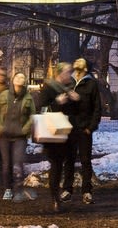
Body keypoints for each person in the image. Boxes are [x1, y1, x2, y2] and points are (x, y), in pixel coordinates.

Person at [62, 57, 102, 204]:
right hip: (69, 128)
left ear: (85, 68)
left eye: (81, 61)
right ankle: (67, 189)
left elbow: (97, 107)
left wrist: (90, 127)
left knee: (85, 161)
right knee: (69, 160)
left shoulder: (91, 83)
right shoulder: (69, 82)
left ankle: (86, 191)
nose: (77, 62)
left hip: (84, 128)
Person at [38, 62, 77, 212]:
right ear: (60, 74)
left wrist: (75, 100)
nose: (69, 75)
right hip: (54, 131)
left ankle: (66, 190)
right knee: (56, 164)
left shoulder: (70, 88)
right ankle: (55, 197)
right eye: (67, 72)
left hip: (69, 131)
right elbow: (41, 107)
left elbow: (75, 110)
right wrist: (56, 103)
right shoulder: (49, 88)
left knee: (69, 162)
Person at [0, 71, 35, 200]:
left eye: (22, 79)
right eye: (17, 78)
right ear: (13, 81)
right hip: (3, 136)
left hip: (20, 137)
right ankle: (8, 189)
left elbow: (32, 115)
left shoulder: (28, 98)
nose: (19, 81)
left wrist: (24, 129)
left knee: (18, 163)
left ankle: (18, 189)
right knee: (6, 164)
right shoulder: (3, 95)